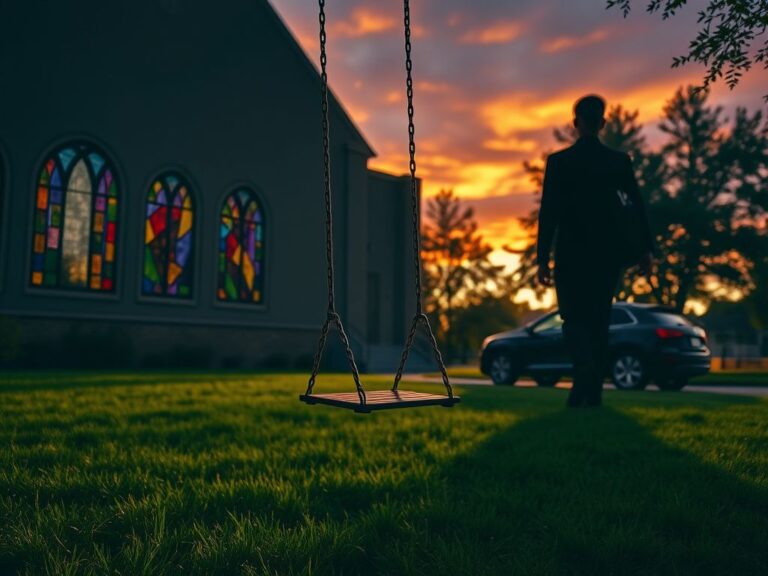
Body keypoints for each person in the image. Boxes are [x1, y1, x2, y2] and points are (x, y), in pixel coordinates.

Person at [536, 94, 654, 407]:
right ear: (602, 123)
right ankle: (593, 393)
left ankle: (583, 373)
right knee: (599, 320)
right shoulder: (618, 161)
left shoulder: (559, 163)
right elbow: (637, 206)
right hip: (607, 255)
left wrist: (542, 260)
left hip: (571, 254)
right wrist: (646, 250)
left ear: (575, 123)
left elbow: (548, 214)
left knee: (572, 319)